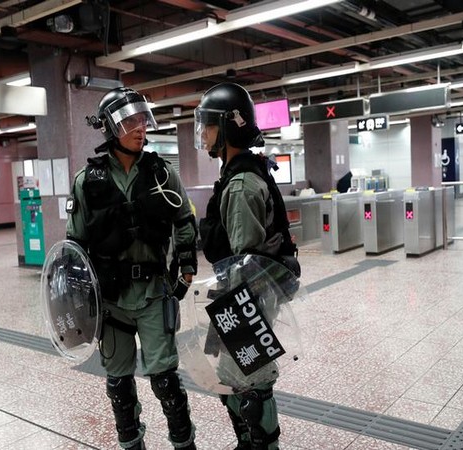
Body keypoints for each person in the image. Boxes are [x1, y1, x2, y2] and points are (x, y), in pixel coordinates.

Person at [66, 87, 198, 450]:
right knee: (119, 385)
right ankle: (131, 443)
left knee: (166, 381)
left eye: (143, 120)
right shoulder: (85, 182)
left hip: (154, 293)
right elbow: (73, 246)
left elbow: (185, 221)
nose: (140, 128)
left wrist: (185, 267)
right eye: (130, 121)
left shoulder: (161, 173)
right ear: (110, 127)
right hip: (110, 302)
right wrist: (79, 302)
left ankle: (184, 443)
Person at [195, 82, 300, 450]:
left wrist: (238, 321)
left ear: (227, 128)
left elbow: (246, 263)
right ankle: (249, 440)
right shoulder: (242, 173)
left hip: (247, 298)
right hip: (247, 295)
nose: (203, 133)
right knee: (232, 378)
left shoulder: (240, 185)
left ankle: (261, 442)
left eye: (208, 125)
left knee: (250, 382)